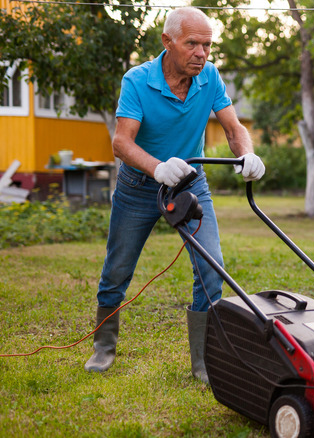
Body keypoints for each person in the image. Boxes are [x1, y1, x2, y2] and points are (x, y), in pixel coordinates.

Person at [84, 7, 264, 384]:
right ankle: (104, 346)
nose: (201, 53)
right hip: (138, 187)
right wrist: (156, 167)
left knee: (211, 267)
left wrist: (246, 153)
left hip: (190, 184)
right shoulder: (138, 80)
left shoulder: (209, 77)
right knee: (117, 270)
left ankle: (203, 360)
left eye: (207, 45)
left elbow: (233, 129)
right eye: (192, 44)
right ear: (167, 42)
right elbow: (121, 142)